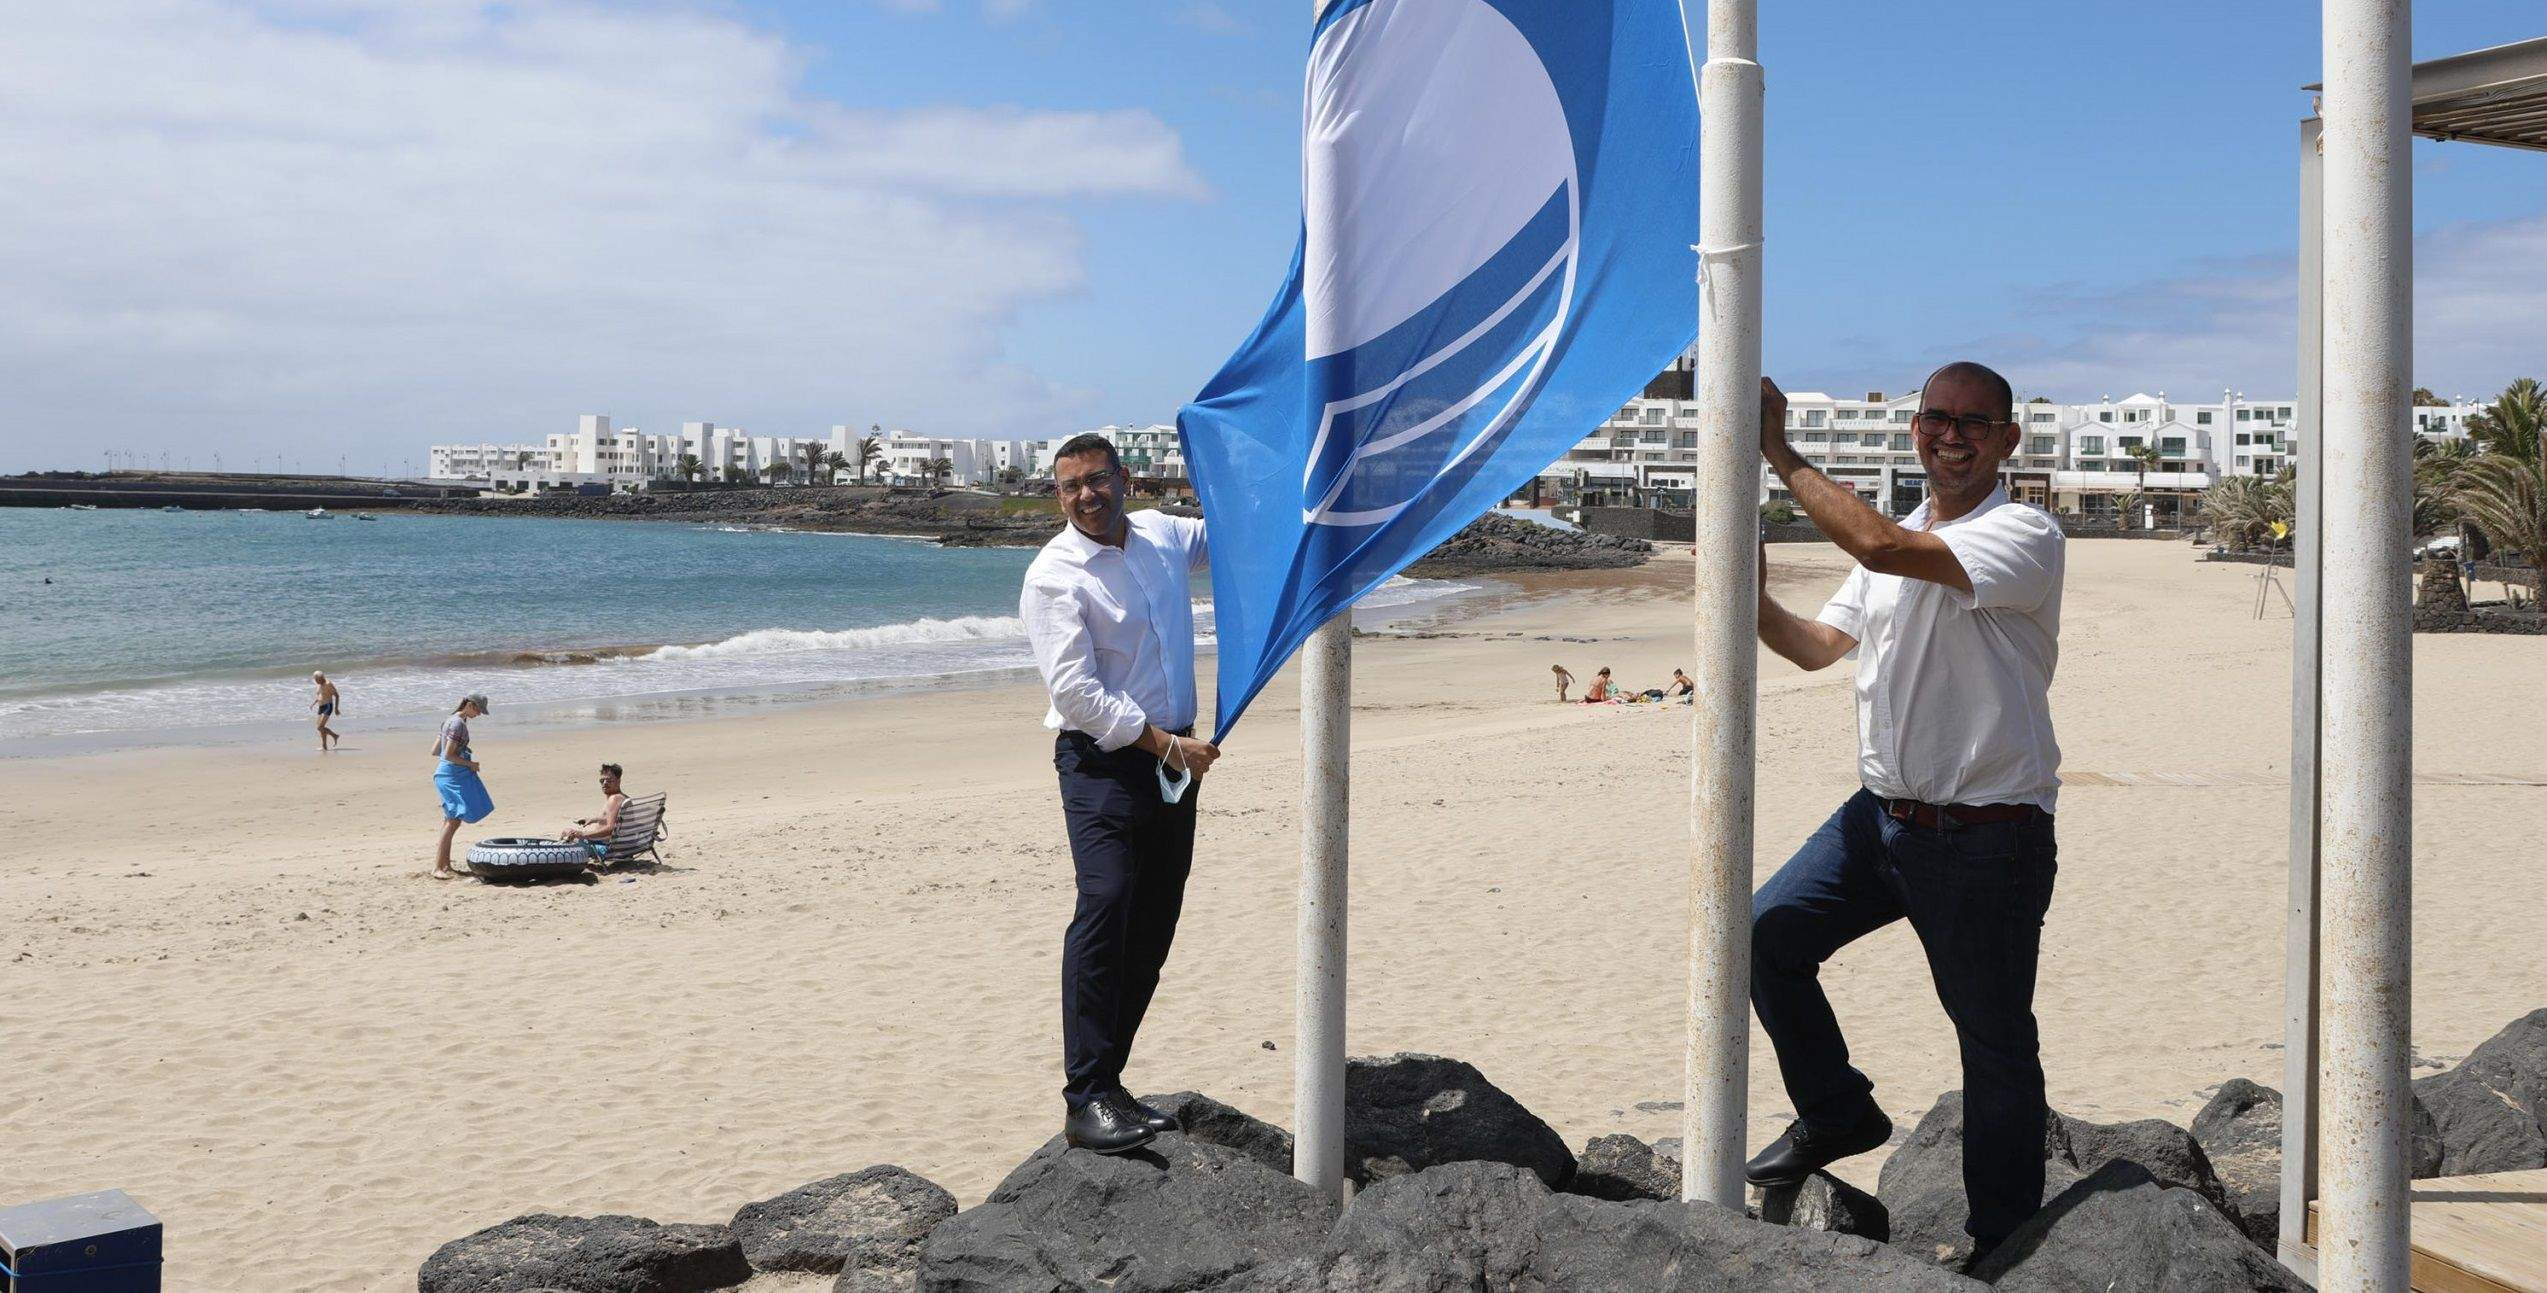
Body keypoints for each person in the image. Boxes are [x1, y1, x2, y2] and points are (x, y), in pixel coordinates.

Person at [1743, 363, 2065, 1269]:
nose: (1950, 433)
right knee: (1762, 934)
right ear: (1915, 429)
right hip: (1877, 820)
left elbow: (1879, 551)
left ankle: (2000, 1242)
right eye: (1936, 418)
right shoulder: (1902, 530)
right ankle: (1837, 1109)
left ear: (2006, 438)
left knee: (1991, 1041)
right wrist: (1747, 596)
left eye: (1974, 421)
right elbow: (1812, 647)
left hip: (1984, 834)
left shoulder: (2021, 532)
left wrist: (1775, 448)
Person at [1019, 432, 1218, 1155]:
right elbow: (1074, 693)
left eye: (1096, 480)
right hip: (1104, 764)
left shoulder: (1164, 535)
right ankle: (1085, 1096)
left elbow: (1235, 534)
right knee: (1105, 908)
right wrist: (1166, 744)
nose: (1084, 496)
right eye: (1069, 486)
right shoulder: (1054, 574)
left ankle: (1109, 1083)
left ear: (1123, 478)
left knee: (1153, 926)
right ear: (1058, 493)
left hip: (1173, 762)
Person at [430, 695, 494, 880]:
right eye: (478, 710)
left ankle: (445, 865)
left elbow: (436, 751)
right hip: (450, 776)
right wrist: (469, 764)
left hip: (445, 774)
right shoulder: (458, 724)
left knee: (450, 820)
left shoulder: (449, 720)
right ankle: (437, 868)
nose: (479, 714)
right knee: (453, 821)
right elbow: (448, 755)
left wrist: (461, 753)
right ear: (470, 705)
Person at [557, 763, 629, 864]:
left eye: (609, 780)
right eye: (602, 781)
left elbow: (611, 829)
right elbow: (614, 820)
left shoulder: (614, 799)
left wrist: (582, 834)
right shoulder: (623, 798)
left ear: (618, 781)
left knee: (567, 833)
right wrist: (594, 819)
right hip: (624, 848)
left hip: (609, 850)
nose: (604, 783)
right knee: (571, 834)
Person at [312, 671, 342, 751]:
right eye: (315, 679)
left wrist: (336, 709)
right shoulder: (319, 684)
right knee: (321, 728)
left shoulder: (328, 684)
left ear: (321, 678)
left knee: (320, 727)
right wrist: (314, 703)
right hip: (321, 706)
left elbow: (337, 696)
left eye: (317, 680)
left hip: (328, 706)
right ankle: (324, 746)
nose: (316, 681)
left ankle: (335, 735)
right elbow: (320, 695)